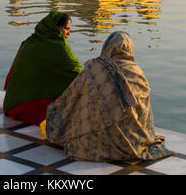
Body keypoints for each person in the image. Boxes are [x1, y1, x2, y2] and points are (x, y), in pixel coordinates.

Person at [45, 31, 172, 162]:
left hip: (97, 141)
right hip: (135, 140)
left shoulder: (95, 69)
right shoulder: (138, 74)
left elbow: (73, 98)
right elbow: (145, 116)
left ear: (108, 46)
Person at [3, 10, 82, 125]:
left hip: (11, 105)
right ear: (55, 28)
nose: (68, 33)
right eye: (66, 28)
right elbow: (81, 77)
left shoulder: (29, 42)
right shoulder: (60, 47)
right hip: (32, 110)